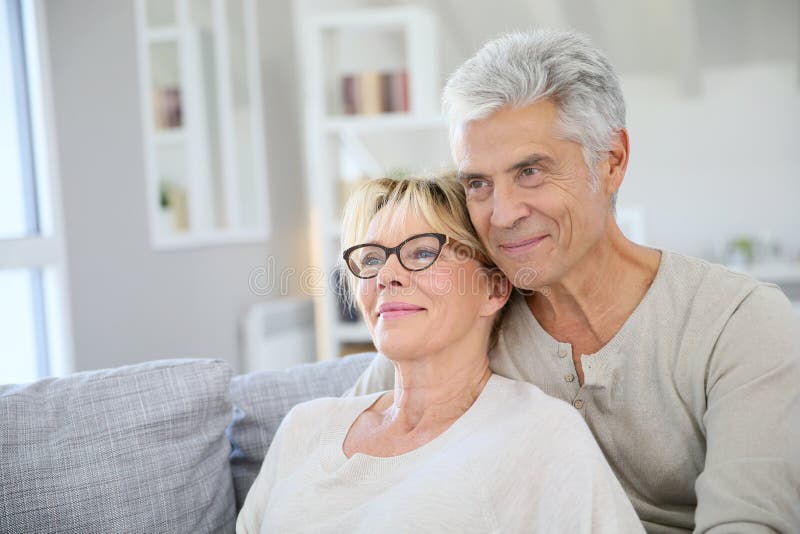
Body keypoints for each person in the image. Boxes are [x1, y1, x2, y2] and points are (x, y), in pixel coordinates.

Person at [348, 30, 800, 533]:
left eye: (531, 172)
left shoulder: (737, 322)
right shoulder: (474, 316)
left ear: (611, 162)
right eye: (478, 183)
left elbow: (751, 523)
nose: (502, 214)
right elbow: (351, 432)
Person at [237, 176, 644, 533]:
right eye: (372, 258)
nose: (386, 275)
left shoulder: (538, 434)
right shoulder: (305, 426)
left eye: (420, 252)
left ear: (494, 289)